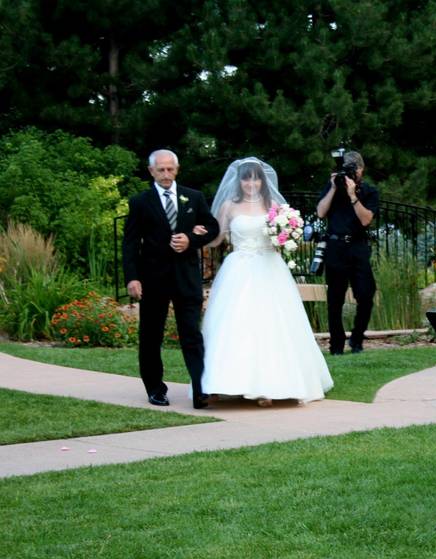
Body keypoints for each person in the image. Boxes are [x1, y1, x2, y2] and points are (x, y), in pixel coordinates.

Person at [200, 158, 334, 405]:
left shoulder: (272, 205)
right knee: (233, 324)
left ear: (262, 180)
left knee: (271, 323)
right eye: (246, 178)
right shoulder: (229, 206)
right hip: (238, 268)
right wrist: (199, 236)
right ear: (239, 181)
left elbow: (282, 236)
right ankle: (220, 382)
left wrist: (287, 234)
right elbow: (217, 238)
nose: (251, 183)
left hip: (269, 268)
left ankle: (269, 386)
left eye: (255, 177)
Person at [122, 149, 220, 409]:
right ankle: (155, 389)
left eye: (170, 169)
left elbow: (212, 227)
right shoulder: (140, 202)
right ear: (151, 171)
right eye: (161, 170)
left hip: (186, 277)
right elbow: (130, 243)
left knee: (191, 335)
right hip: (153, 278)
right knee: (151, 335)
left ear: (177, 169)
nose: (166, 174)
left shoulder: (194, 197)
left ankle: (201, 390)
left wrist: (191, 239)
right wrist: (132, 278)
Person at [315, 150, 379, 355]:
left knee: (366, 294)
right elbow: (320, 212)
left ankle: (357, 339)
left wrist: (353, 196)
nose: (351, 174)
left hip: (358, 248)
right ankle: (336, 345)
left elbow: (366, 220)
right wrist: (334, 188)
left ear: (361, 170)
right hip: (335, 247)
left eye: (354, 169)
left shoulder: (369, 191)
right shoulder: (333, 187)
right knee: (335, 299)